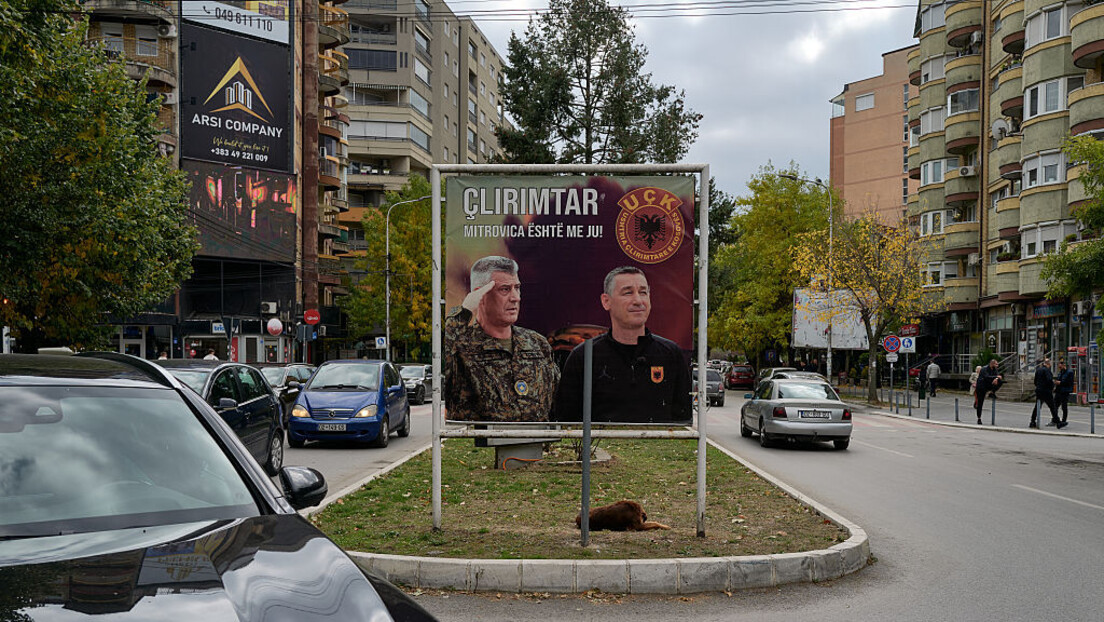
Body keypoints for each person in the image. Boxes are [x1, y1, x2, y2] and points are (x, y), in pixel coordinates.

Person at [554, 266, 692, 424]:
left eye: (643, 292)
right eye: (628, 292)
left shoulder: (670, 355)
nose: (638, 301)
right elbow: (567, 424)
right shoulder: (584, 357)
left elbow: (682, 421)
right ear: (606, 301)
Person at [443, 256, 559, 422]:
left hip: (534, 445)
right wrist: (464, 311)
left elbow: (556, 403)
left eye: (517, 288)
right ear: (480, 294)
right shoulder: (461, 346)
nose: (515, 297)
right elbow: (441, 361)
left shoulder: (537, 343)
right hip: (481, 445)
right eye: (505, 289)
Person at [1029, 358, 1063, 429]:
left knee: (1037, 407)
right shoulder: (1047, 371)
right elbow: (1049, 380)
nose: (1050, 366)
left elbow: (1035, 381)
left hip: (1039, 390)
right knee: (1052, 406)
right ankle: (1058, 422)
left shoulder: (1038, 370)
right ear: (1048, 364)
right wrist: (1052, 387)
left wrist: (1038, 386)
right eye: (1050, 364)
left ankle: (1032, 421)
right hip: (1046, 391)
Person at [974, 359, 1003, 425]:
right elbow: (986, 377)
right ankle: (979, 418)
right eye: (996, 364)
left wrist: (996, 379)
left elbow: (997, 375)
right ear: (992, 364)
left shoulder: (994, 369)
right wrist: (996, 377)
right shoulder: (984, 369)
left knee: (1000, 381)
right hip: (981, 387)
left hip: (988, 384)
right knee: (980, 402)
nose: (997, 365)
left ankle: (992, 392)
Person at [1052, 359, 1075, 427]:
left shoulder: (1069, 372)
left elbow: (1069, 382)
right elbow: (1059, 379)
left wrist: (1060, 383)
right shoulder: (1061, 372)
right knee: (1055, 406)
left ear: (1064, 365)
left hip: (1065, 391)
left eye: (1060, 366)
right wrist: (1055, 385)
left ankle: (1064, 420)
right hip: (1059, 391)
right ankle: (1055, 419)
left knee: (1064, 407)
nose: (1059, 367)